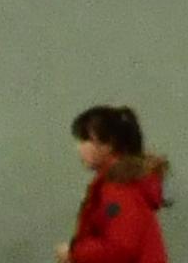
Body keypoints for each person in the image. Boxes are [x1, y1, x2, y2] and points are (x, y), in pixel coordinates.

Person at [59, 105, 167, 263]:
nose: (79, 147)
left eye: (86, 139)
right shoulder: (123, 185)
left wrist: (75, 253)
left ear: (109, 144)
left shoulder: (119, 190)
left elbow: (121, 249)